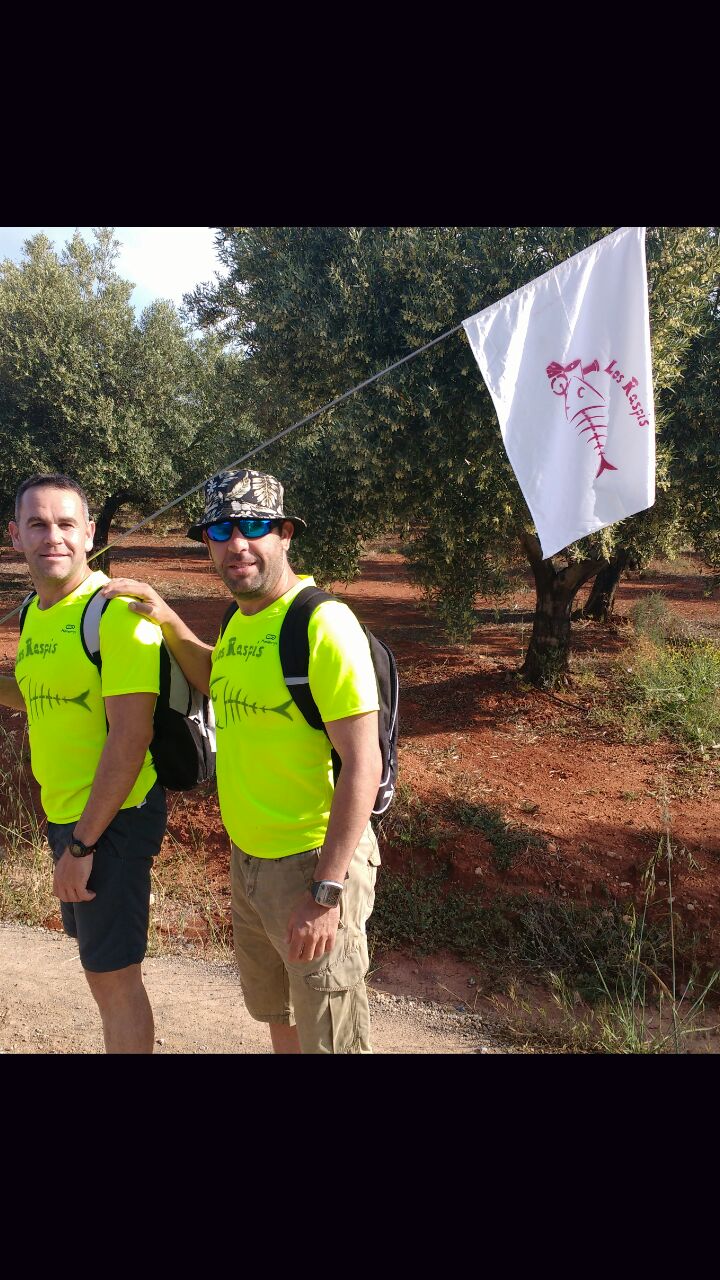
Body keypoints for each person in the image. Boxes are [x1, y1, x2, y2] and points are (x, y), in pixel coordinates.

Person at [103, 467, 382, 1054]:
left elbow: (364, 763)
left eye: (253, 527)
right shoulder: (240, 618)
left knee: (330, 1039)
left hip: (313, 861)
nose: (237, 544)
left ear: (284, 534)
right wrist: (166, 617)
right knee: (282, 1017)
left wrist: (325, 892)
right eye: (220, 530)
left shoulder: (321, 624)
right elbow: (217, 678)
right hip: (250, 859)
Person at [0, 474, 166, 1053]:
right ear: (15, 535)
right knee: (102, 976)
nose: (54, 537)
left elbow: (131, 738)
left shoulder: (113, 613)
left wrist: (81, 846)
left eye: (66, 523)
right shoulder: (35, 611)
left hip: (110, 820)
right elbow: (40, 695)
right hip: (69, 816)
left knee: (115, 981)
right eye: (38, 524)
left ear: (90, 533)